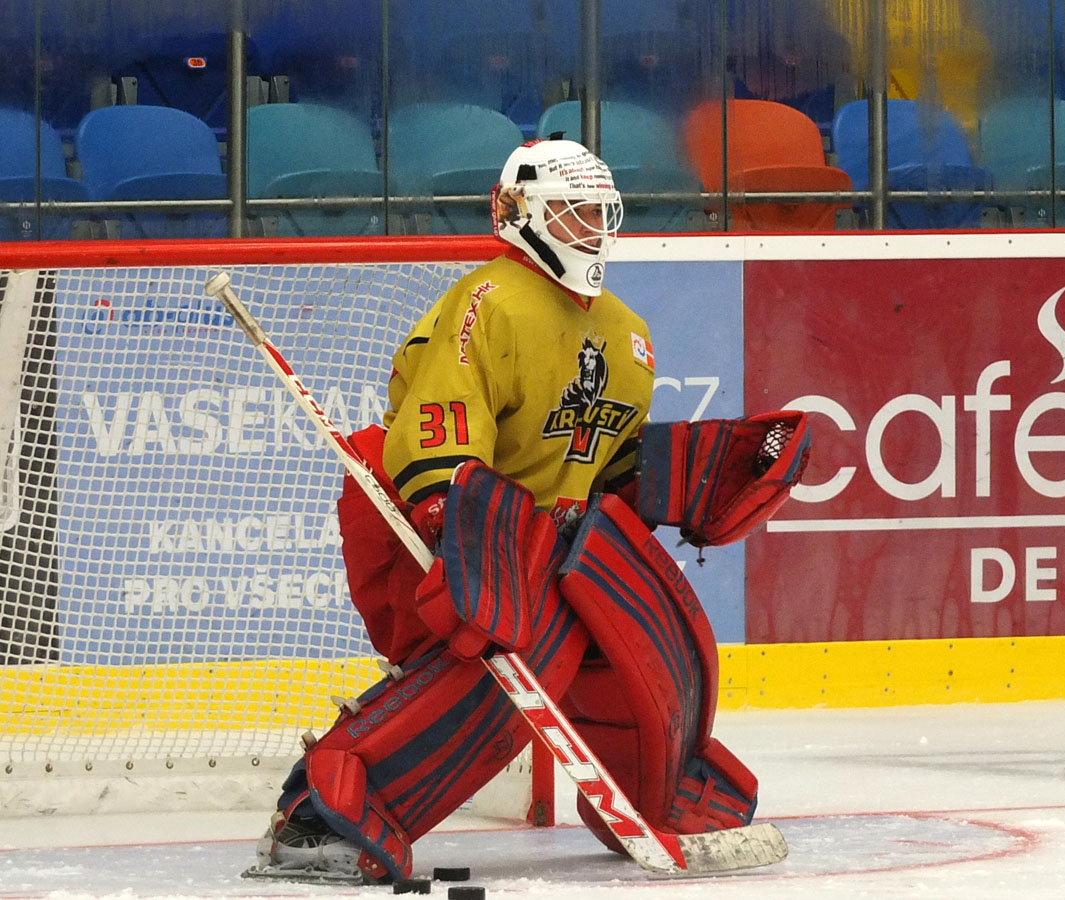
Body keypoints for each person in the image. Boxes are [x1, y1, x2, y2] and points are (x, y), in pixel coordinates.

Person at [249, 138, 811, 884]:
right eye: (573, 212)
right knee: (497, 672)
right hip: (444, 522)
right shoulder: (490, 302)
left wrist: (692, 476)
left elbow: (604, 465)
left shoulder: (629, 336)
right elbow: (439, 429)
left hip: (551, 542)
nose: (592, 230)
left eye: (600, 214)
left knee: (648, 637)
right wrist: (454, 519)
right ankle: (319, 815)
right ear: (519, 213)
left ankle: (657, 795)